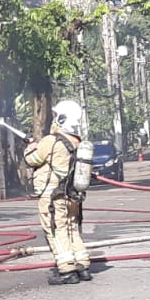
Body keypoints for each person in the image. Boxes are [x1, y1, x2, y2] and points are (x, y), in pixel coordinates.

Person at [24, 100, 92, 285]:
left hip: (52, 196)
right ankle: (82, 265)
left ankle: (67, 270)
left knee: (56, 230)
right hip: (73, 195)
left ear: (61, 118)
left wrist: (30, 146)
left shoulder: (50, 141)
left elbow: (32, 159)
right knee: (71, 228)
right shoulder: (77, 142)